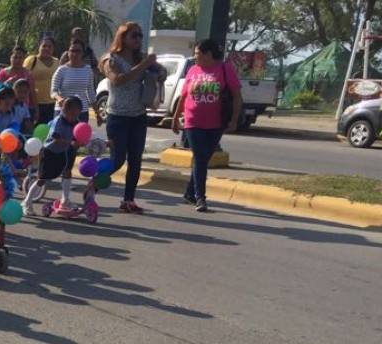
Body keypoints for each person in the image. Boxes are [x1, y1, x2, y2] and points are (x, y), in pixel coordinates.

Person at [101, 21, 165, 213]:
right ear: (123, 37)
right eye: (133, 35)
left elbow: (162, 71)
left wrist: (160, 71)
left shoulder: (142, 57)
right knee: (118, 159)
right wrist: (143, 65)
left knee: (135, 160)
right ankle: (94, 183)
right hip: (118, 117)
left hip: (138, 117)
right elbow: (117, 80)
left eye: (140, 36)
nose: (138, 39)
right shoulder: (109, 58)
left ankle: (128, 200)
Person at [171, 38, 241, 213]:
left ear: (208, 54)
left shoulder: (224, 69)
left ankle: (189, 192)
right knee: (200, 158)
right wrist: (175, 117)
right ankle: (200, 197)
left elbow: (237, 97)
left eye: (196, 53)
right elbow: (184, 95)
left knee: (203, 159)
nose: (194, 57)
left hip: (216, 123)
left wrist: (233, 120)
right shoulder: (193, 70)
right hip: (193, 121)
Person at [23, 96, 84, 215]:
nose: (74, 117)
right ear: (64, 110)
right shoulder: (58, 121)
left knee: (67, 173)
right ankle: (27, 202)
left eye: (77, 115)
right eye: (72, 114)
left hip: (63, 153)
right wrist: (71, 142)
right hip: (49, 152)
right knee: (42, 179)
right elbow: (56, 138)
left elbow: (80, 135)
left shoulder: (76, 122)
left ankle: (65, 201)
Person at [51, 39, 100, 125]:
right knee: (60, 138)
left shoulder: (88, 70)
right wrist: (59, 99)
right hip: (63, 111)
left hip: (81, 112)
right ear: (68, 52)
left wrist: (97, 113)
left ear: (82, 53)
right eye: (72, 51)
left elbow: (91, 92)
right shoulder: (61, 70)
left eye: (78, 51)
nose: (75, 54)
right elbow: (53, 91)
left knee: (80, 138)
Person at [24, 37, 58, 124]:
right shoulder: (31, 60)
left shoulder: (57, 62)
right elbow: (24, 79)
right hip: (35, 104)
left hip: (53, 103)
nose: (47, 48)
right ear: (39, 47)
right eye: (44, 46)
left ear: (53, 49)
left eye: (50, 46)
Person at [0, 46, 34, 111]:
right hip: (7, 109)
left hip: (24, 109)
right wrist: (7, 84)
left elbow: (32, 93)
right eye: (15, 57)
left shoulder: (28, 73)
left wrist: (35, 109)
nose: (18, 60)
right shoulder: (4, 73)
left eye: (21, 58)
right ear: (10, 58)